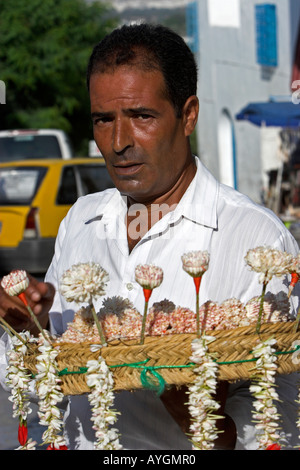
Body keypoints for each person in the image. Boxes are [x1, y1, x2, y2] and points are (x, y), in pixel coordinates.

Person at [0, 23, 300, 450]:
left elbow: (282, 428)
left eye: (141, 116)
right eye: (103, 120)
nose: (118, 141)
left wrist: (194, 408)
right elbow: (43, 391)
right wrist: (32, 326)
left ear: (188, 115)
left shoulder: (255, 240)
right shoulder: (82, 220)